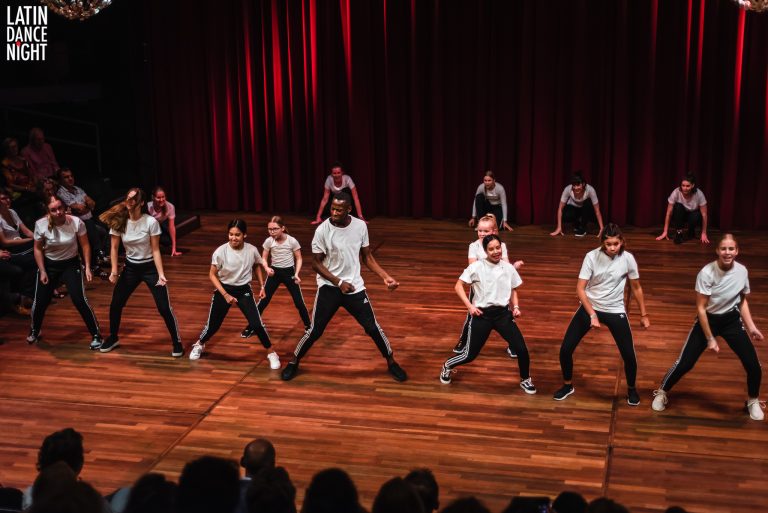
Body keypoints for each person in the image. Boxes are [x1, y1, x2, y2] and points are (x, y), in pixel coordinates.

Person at [281, 192, 407, 382]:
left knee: (372, 328)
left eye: (339, 209)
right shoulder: (323, 230)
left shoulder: (360, 226)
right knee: (315, 331)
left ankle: (391, 362)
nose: (334, 212)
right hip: (330, 288)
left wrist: (385, 276)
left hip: (354, 287)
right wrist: (338, 282)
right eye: (332, 208)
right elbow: (316, 264)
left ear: (349, 209)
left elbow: (367, 257)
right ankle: (294, 361)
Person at [651, 234, 764, 420]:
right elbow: (701, 309)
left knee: (753, 365)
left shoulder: (742, 271)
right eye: (724, 249)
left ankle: (753, 400)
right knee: (685, 363)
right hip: (708, 319)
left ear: (737, 251)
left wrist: (751, 326)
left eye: (731, 249)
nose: (727, 253)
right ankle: (662, 391)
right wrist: (710, 338)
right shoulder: (706, 273)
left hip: (731, 321)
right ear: (717, 250)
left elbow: (742, 300)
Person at [553, 223, 650, 405]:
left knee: (629, 355)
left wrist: (644, 314)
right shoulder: (591, 257)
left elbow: (636, 287)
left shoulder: (628, 259)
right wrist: (592, 314)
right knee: (565, 350)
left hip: (615, 309)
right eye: (608, 244)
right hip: (591, 306)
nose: (612, 248)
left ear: (621, 241)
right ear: (602, 243)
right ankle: (567, 385)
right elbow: (580, 290)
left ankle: (631, 389)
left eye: (616, 243)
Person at [439, 234, 536, 393]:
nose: (496, 251)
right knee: (469, 355)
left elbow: (513, 289)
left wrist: (516, 306)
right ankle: (447, 365)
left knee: (522, 349)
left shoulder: (508, 268)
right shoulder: (476, 267)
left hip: (503, 315)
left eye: (498, 248)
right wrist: (470, 306)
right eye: (491, 249)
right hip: (482, 316)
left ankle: (525, 379)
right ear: (485, 251)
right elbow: (458, 286)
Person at [99, 188, 183, 356]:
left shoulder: (150, 222)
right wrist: (114, 271)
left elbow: (156, 250)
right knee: (116, 303)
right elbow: (114, 248)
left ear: (141, 203)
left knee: (164, 308)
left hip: (150, 268)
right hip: (131, 268)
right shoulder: (120, 221)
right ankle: (113, 337)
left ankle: (177, 341)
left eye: (133, 199)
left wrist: (161, 274)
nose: (128, 202)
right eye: (127, 199)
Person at [189, 219, 279, 366]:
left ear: (245, 235)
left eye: (237, 235)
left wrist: (262, 286)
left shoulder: (251, 250)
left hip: (243, 289)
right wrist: (225, 295)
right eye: (230, 234)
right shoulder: (220, 251)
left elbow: (257, 265)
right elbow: (212, 275)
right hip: (224, 289)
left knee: (256, 324)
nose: (233, 238)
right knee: (213, 325)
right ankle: (200, 343)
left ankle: (271, 352)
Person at [27, 195, 102, 348]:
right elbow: (37, 249)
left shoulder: (76, 222)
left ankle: (96, 334)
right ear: (48, 211)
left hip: (70, 264)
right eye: (53, 210)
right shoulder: (40, 225)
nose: (58, 212)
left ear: (64, 207)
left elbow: (85, 245)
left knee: (79, 299)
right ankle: (35, 330)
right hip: (49, 265)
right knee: (40, 301)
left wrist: (87, 266)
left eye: (60, 208)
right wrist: (42, 270)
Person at [453, 214, 523, 354]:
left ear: (494, 232)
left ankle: (513, 344)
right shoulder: (474, 246)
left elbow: (505, 266)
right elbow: (473, 267)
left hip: (498, 285)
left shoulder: (500, 245)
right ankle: (464, 340)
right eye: (480, 231)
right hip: (480, 287)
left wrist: (513, 267)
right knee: (472, 315)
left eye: (486, 231)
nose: (482, 234)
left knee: (506, 316)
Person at [241, 216, 311, 338]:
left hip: (289, 273)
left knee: (299, 302)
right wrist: (267, 268)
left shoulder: (292, 241)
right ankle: (252, 326)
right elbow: (263, 258)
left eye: (275, 229)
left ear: (282, 228)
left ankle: (308, 326)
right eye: (270, 229)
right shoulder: (269, 241)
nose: (272, 232)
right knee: (263, 301)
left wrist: (296, 274)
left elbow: (299, 258)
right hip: (275, 273)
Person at [56, 167, 109, 270]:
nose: (70, 178)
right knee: (89, 226)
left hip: (89, 221)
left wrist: (86, 206)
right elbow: (79, 209)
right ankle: (98, 255)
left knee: (102, 230)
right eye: (66, 177)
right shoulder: (61, 193)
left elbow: (92, 203)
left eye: (71, 176)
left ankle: (98, 257)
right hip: (75, 225)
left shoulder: (78, 189)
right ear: (60, 180)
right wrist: (86, 206)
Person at [655, 174, 709, 244]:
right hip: (680, 215)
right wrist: (665, 232)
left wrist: (704, 233)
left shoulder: (699, 194)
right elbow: (669, 213)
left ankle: (691, 230)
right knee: (678, 206)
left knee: (696, 215)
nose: (685, 188)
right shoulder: (676, 192)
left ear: (692, 185)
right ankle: (679, 233)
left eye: (687, 186)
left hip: (692, 216)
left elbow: (704, 215)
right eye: (683, 185)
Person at [550, 172, 604, 238]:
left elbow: (597, 211)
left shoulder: (590, 190)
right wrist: (559, 227)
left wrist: (602, 228)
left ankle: (583, 228)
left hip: (586, 210)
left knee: (588, 202)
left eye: (578, 185)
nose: (576, 188)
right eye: (574, 185)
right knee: (565, 215)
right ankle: (577, 223)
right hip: (574, 209)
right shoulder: (568, 189)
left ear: (583, 184)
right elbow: (560, 208)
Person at [147, 186, 182, 256]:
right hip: (147, 229)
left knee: (167, 241)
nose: (161, 199)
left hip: (158, 226)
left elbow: (171, 227)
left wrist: (174, 248)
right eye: (158, 197)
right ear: (153, 197)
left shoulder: (170, 207)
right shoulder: (148, 207)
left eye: (163, 197)